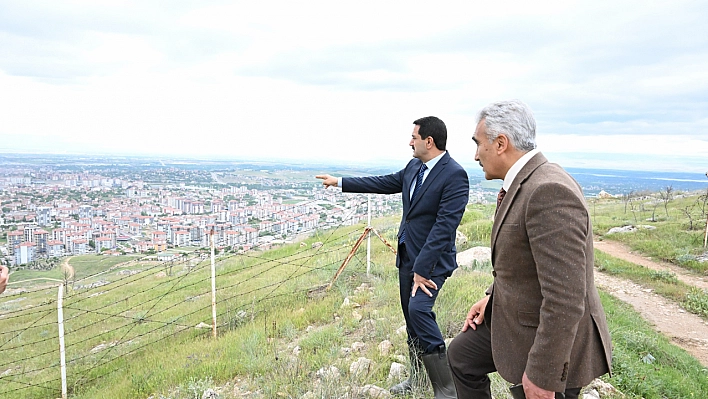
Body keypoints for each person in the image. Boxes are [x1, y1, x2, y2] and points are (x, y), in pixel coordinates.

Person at [447, 100, 612, 399]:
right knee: (462, 356)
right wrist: (491, 298)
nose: (475, 155)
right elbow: (520, 260)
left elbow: (566, 296)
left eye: (478, 144)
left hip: (555, 340)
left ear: (500, 143)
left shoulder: (548, 191)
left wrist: (543, 375)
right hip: (519, 316)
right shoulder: (525, 182)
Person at [317, 116, 468, 398]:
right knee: (411, 321)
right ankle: (418, 379)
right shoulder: (414, 166)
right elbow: (385, 182)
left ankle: (447, 390)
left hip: (432, 261)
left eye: (414, 136)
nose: (410, 141)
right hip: (407, 255)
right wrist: (339, 182)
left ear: (429, 141)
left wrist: (423, 269)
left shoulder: (454, 174)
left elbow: (445, 226)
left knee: (419, 311)